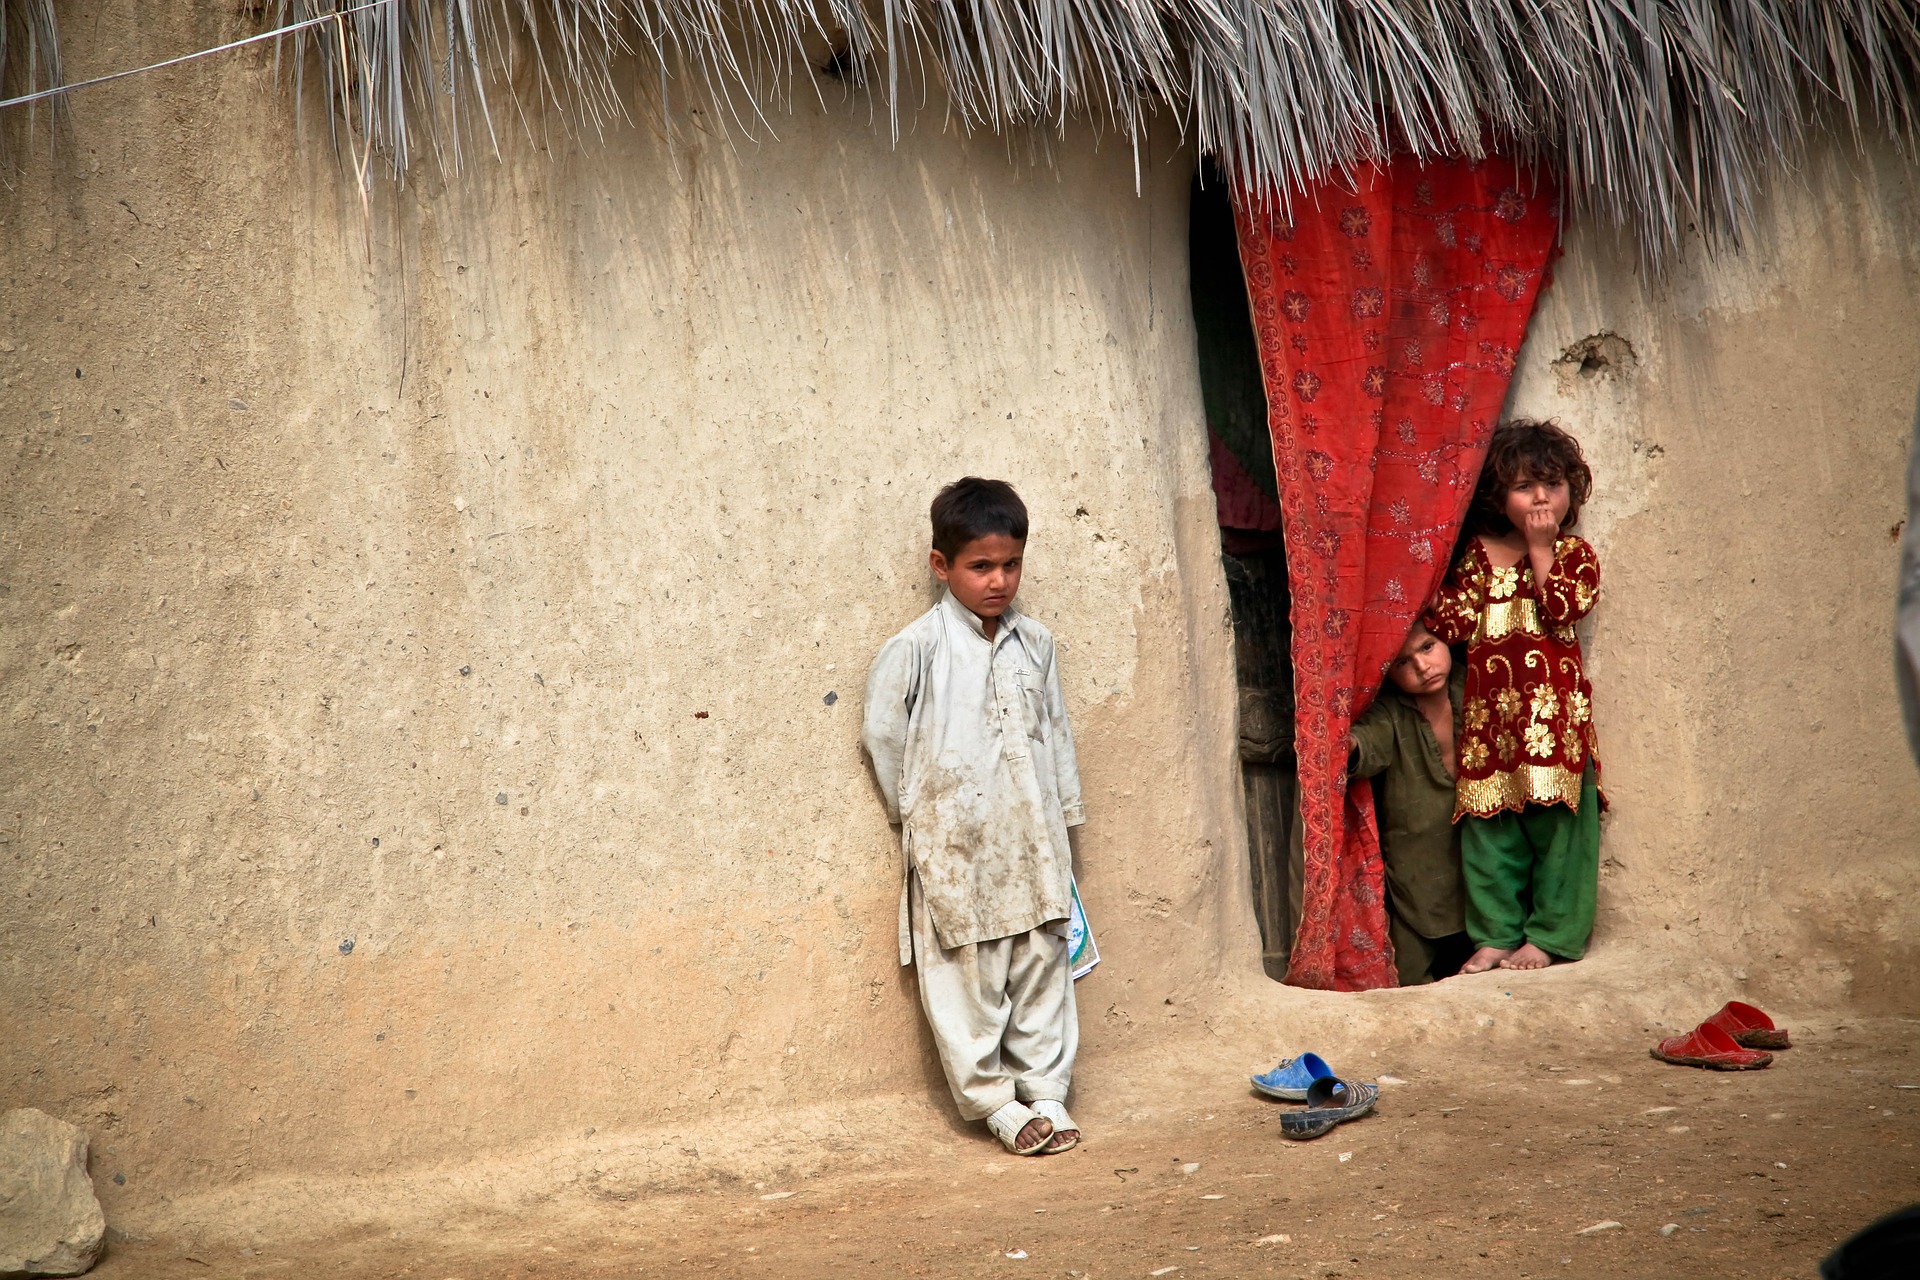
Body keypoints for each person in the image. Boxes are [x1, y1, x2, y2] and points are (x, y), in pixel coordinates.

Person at [862, 478, 1086, 1156]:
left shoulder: (1036, 644)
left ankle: (1047, 1092)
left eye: (1010, 565)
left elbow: (1056, 731)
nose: (998, 580)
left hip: (1033, 840)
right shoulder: (917, 648)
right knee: (967, 977)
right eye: (980, 566)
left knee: (1043, 963)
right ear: (942, 566)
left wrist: (1063, 816)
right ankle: (995, 1104)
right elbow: (883, 737)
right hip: (955, 847)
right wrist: (922, 817)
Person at [1425, 419, 1604, 974]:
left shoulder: (1573, 555)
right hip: (1489, 733)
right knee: (1488, 841)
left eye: (1552, 483)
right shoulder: (1479, 558)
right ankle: (1496, 934)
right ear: (1498, 496)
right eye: (1525, 486)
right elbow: (1450, 621)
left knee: (1561, 840)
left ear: (1571, 492)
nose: (1541, 496)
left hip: (1556, 732)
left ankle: (1551, 936)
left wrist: (1539, 547)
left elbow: (1563, 609)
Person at [1346, 621, 1473, 985]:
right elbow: (1369, 741)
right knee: (1410, 978)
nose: (1421, 666)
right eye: (1402, 662)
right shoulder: (1391, 713)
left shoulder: (1478, 686)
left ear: (1447, 638)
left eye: (1427, 647)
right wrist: (1346, 743)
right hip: (1416, 874)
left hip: (1481, 862)